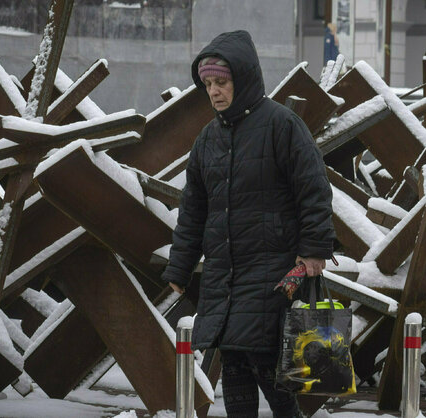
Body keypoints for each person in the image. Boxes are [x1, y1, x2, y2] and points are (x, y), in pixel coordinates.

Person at [161, 30, 335, 417]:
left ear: (243, 78)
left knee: (265, 360)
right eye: (207, 84)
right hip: (226, 271)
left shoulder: (281, 125)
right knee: (235, 360)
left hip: (273, 268)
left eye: (221, 82)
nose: (214, 92)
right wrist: (180, 266)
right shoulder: (207, 140)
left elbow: (314, 189)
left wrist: (314, 251)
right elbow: (193, 209)